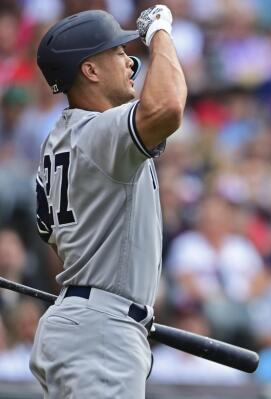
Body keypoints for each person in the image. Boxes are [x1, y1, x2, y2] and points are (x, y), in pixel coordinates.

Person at [31, 6, 186, 398]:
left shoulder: (61, 139)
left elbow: (59, 245)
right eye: (117, 53)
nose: (130, 62)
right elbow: (167, 106)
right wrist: (159, 33)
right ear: (91, 71)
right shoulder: (99, 134)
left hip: (84, 326)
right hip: (100, 333)